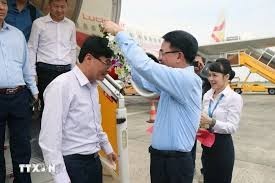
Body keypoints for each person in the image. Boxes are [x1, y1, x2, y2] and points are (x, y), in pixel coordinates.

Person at [103, 21, 202, 183]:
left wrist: (120, 33)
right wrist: (121, 60)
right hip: (160, 158)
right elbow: (145, 80)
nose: (160, 58)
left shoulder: (187, 80)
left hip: (176, 163)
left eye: (163, 53)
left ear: (179, 56)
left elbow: (146, 66)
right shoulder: (172, 83)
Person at [39, 35, 117, 183]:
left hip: (93, 161)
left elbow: (94, 124)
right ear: (89, 58)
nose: (109, 69)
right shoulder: (61, 86)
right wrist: (61, 178)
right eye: (106, 63)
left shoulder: (93, 86)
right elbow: (49, 140)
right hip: (73, 165)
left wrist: (106, 147)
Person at [0, 0, 38, 182]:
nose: (1, 7)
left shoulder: (17, 35)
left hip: (19, 97)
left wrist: (34, 90)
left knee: (22, 146)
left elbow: (26, 68)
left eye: (3, 3)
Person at [28, 0, 76, 114]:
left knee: (65, 107)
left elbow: (73, 49)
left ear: (67, 7)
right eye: (56, 6)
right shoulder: (38, 23)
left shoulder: (71, 25)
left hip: (65, 71)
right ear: (49, 6)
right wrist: (33, 74)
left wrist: (73, 72)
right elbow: (31, 49)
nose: (59, 10)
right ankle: (45, 132)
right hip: (45, 71)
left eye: (62, 7)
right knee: (47, 109)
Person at [200, 58, 243, 183]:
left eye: (215, 75)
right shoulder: (208, 94)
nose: (211, 79)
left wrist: (212, 122)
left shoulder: (234, 98)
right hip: (207, 144)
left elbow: (232, 127)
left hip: (222, 146)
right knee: (208, 178)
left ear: (226, 77)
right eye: (209, 75)